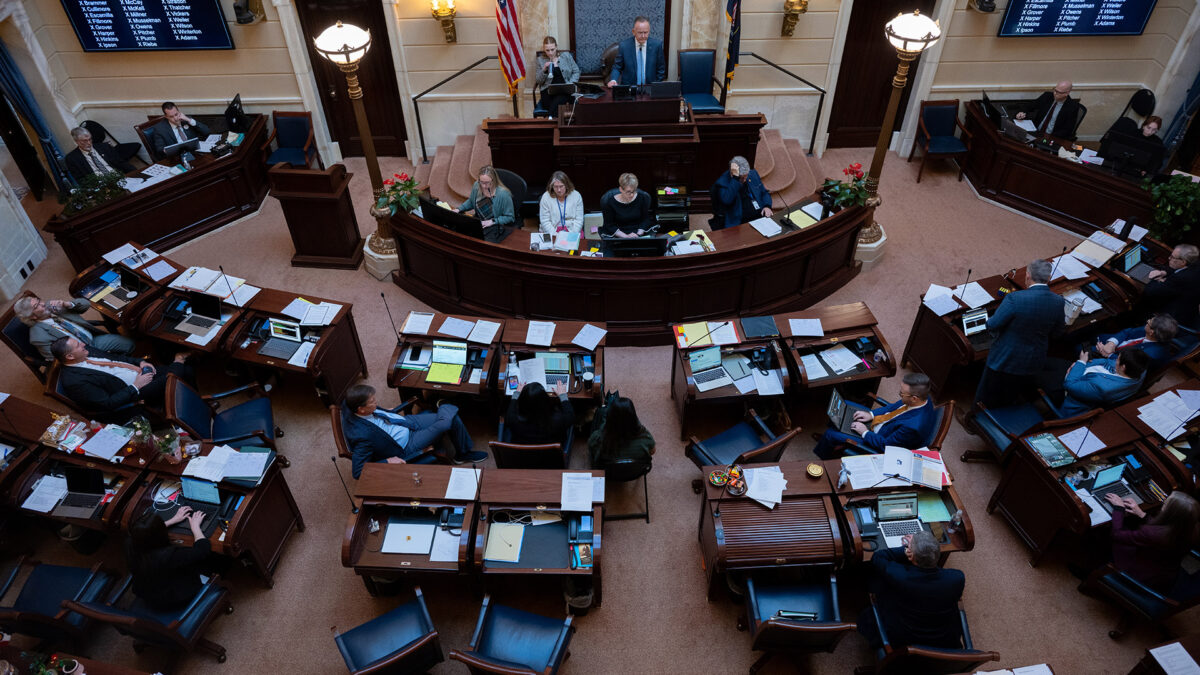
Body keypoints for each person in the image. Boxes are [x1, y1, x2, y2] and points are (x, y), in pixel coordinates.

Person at [342, 384, 485, 479]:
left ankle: (445, 408)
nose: (377, 402)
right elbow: (358, 472)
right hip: (408, 443)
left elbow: (346, 402)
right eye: (372, 402)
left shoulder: (349, 403)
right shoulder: (362, 436)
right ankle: (445, 407)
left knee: (450, 417)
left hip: (405, 422)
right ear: (361, 409)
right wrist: (387, 461)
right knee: (448, 421)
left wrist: (385, 412)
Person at [973, 259, 1063, 407]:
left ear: (1027, 276)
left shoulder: (1015, 298)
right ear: (1049, 278)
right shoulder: (1059, 301)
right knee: (1013, 389)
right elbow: (1058, 332)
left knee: (987, 390)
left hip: (1006, 357)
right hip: (1034, 359)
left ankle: (973, 418)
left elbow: (993, 324)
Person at [858, 531, 965, 649]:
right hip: (944, 640)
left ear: (911, 555)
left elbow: (878, 557)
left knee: (876, 581)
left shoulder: (901, 576)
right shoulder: (957, 578)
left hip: (904, 640)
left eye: (910, 547)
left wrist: (904, 550)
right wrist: (916, 548)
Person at [50, 336, 193, 419]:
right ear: (69, 356)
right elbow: (108, 403)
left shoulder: (86, 351)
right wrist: (136, 386)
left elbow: (117, 359)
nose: (83, 344)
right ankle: (178, 360)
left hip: (139, 372)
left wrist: (140, 362)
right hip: (135, 393)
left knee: (186, 370)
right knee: (177, 374)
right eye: (77, 345)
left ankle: (189, 401)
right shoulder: (75, 382)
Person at [812, 373, 936, 459]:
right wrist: (871, 414)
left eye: (901, 393)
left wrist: (864, 432)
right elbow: (893, 407)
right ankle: (830, 442)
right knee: (844, 405)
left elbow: (885, 446)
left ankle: (825, 453)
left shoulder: (912, 427)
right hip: (882, 423)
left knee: (830, 434)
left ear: (914, 398)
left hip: (879, 437)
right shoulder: (923, 398)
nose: (900, 394)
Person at [1103, 491, 1200, 592]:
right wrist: (1142, 514)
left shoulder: (1153, 534)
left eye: (1165, 503)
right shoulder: (1192, 529)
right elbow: (1167, 529)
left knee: (1107, 533)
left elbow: (1116, 535)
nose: (1163, 503)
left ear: (1170, 513)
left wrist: (1119, 508)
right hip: (1165, 574)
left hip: (1140, 575)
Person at [126, 509, 211, 610]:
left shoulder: (130, 544)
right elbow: (202, 550)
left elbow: (143, 533)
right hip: (175, 600)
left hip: (149, 596)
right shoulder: (170, 556)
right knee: (207, 564)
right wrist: (195, 526)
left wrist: (173, 520)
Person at [13, 292, 135, 360]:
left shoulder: (53, 306)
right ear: (33, 317)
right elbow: (56, 359)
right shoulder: (38, 337)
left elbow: (85, 304)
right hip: (82, 354)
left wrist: (68, 304)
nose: (44, 304)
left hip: (93, 339)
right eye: (37, 306)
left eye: (39, 300)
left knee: (130, 344)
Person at [1054, 348, 1149, 418]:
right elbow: (1107, 361)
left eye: (1118, 359)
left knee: (1042, 372)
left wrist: (1081, 362)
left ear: (1123, 367)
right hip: (1079, 372)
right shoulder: (1139, 369)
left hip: (1070, 393)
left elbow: (1069, 385)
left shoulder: (1103, 388)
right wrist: (1081, 365)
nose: (1115, 360)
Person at [1141, 244, 1200, 329]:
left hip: (1173, 318)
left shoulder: (1180, 278)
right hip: (1190, 308)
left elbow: (1150, 291)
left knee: (1141, 302)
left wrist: (1154, 279)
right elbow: (1176, 269)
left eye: (1172, 257)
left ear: (1183, 262)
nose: (1169, 258)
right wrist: (1163, 273)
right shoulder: (1196, 264)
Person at [1094, 313, 1177, 371]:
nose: (1147, 321)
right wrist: (1112, 343)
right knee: (1093, 334)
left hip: (1114, 362)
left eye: (1148, 322)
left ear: (1151, 332)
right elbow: (1127, 332)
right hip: (1112, 344)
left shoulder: (1151, 354)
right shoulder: (1152, 332)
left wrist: (1109, 355)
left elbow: (1128, 365)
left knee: (1083, 348)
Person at [588, 395, 655, 467]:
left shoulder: (597, 439)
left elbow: (591, 449)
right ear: (634, 418)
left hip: (609, 473)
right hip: (633, 472)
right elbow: (652, 451)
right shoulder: (645, 438)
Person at [454, 165, 515, 243]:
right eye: (481, 182)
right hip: (479, 221)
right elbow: (471, 201)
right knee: (461, 235)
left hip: (494, 225)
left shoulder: (504, 195)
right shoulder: (477, 185)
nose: (483, 186)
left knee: (484, 245)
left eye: (487, 183)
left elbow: (510, 217)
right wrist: (459, 209)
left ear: (494, 180)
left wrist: (492, 221)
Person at [711, 155, 773, 229]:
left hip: (760, 216)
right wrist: (736, 180)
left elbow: (764, 193)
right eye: (742, 178)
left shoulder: (752, 174)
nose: (745, 180)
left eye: (746, 176)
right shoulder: (722, 183)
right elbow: (727, 200)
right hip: (740, 222)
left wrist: (767, 206)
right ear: (732, 174)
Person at [505, 381, 574, 445]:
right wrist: (562, 395)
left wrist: (517, 393)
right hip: (551, 456)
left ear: (521, 402)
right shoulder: (558, 420)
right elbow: (570, 415)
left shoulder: (513, 419)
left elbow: (511, 408)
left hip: (522, 455)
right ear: (546, 401)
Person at [607, 16, 666, 87]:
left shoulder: (657, 45)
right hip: (629, 88)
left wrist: (656, 86)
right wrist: (613, 80)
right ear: (633, 32)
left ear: (649, 31)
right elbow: (617, 67)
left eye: (646, 32)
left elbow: (661, 69)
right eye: (640, 33)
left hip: (650, 88)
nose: (643, 36)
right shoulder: (624, 46)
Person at [1016, 80, 1082, 139]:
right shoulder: (1047, 96)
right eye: (1055, 90)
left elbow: (1067, 130)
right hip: (1036, 131)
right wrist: (1022, 112)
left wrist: (1048, 137)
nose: (1055, 93)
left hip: (1052, 137)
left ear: (1067, 93)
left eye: (1058, 92)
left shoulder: (1072, 107)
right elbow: (1030, 105)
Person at [65, 126, 134, 181]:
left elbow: (121, 163)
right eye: (84, 141)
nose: (89, 143)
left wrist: (136, 173)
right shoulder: (72, 158)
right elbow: (81, 180)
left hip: (119, 177)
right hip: (100, 185)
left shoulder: (105, 147)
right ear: (76, 141)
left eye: (90, 139)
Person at [535, 36, 580, 118]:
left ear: (556, 47)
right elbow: (538, 81)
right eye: (547, 50)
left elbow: (576, 71)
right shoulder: (540, 60)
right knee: (560, 99)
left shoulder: (566, 56)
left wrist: (570, 83)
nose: (550, 53)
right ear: (544, 49)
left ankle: (551, 119)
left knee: (563, 96)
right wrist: (544, 69)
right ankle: (556, 121)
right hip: (548, 92)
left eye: (552, 49)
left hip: (566, 90)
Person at [600, 173, 651, 238]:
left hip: (638, 232)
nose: (632, 195)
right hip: (618, 234)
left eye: (634, 191)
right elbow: (609, 225)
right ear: (621, 189)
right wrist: (626, 236)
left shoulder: (642, 197)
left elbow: (645, 219)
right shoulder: (609, 201)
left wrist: (638, 234)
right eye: (628, 192)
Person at [538, 171, 584, 235]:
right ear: (552, 186)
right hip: (552, 230)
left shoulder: (576, 195)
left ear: (567, 185)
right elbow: (545, 221)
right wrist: (555, 235)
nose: (559, 190)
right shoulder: (545, 197)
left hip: (572, 229)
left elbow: (579, 220)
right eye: (556, 187)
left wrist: (572, 234)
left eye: (561, 186)